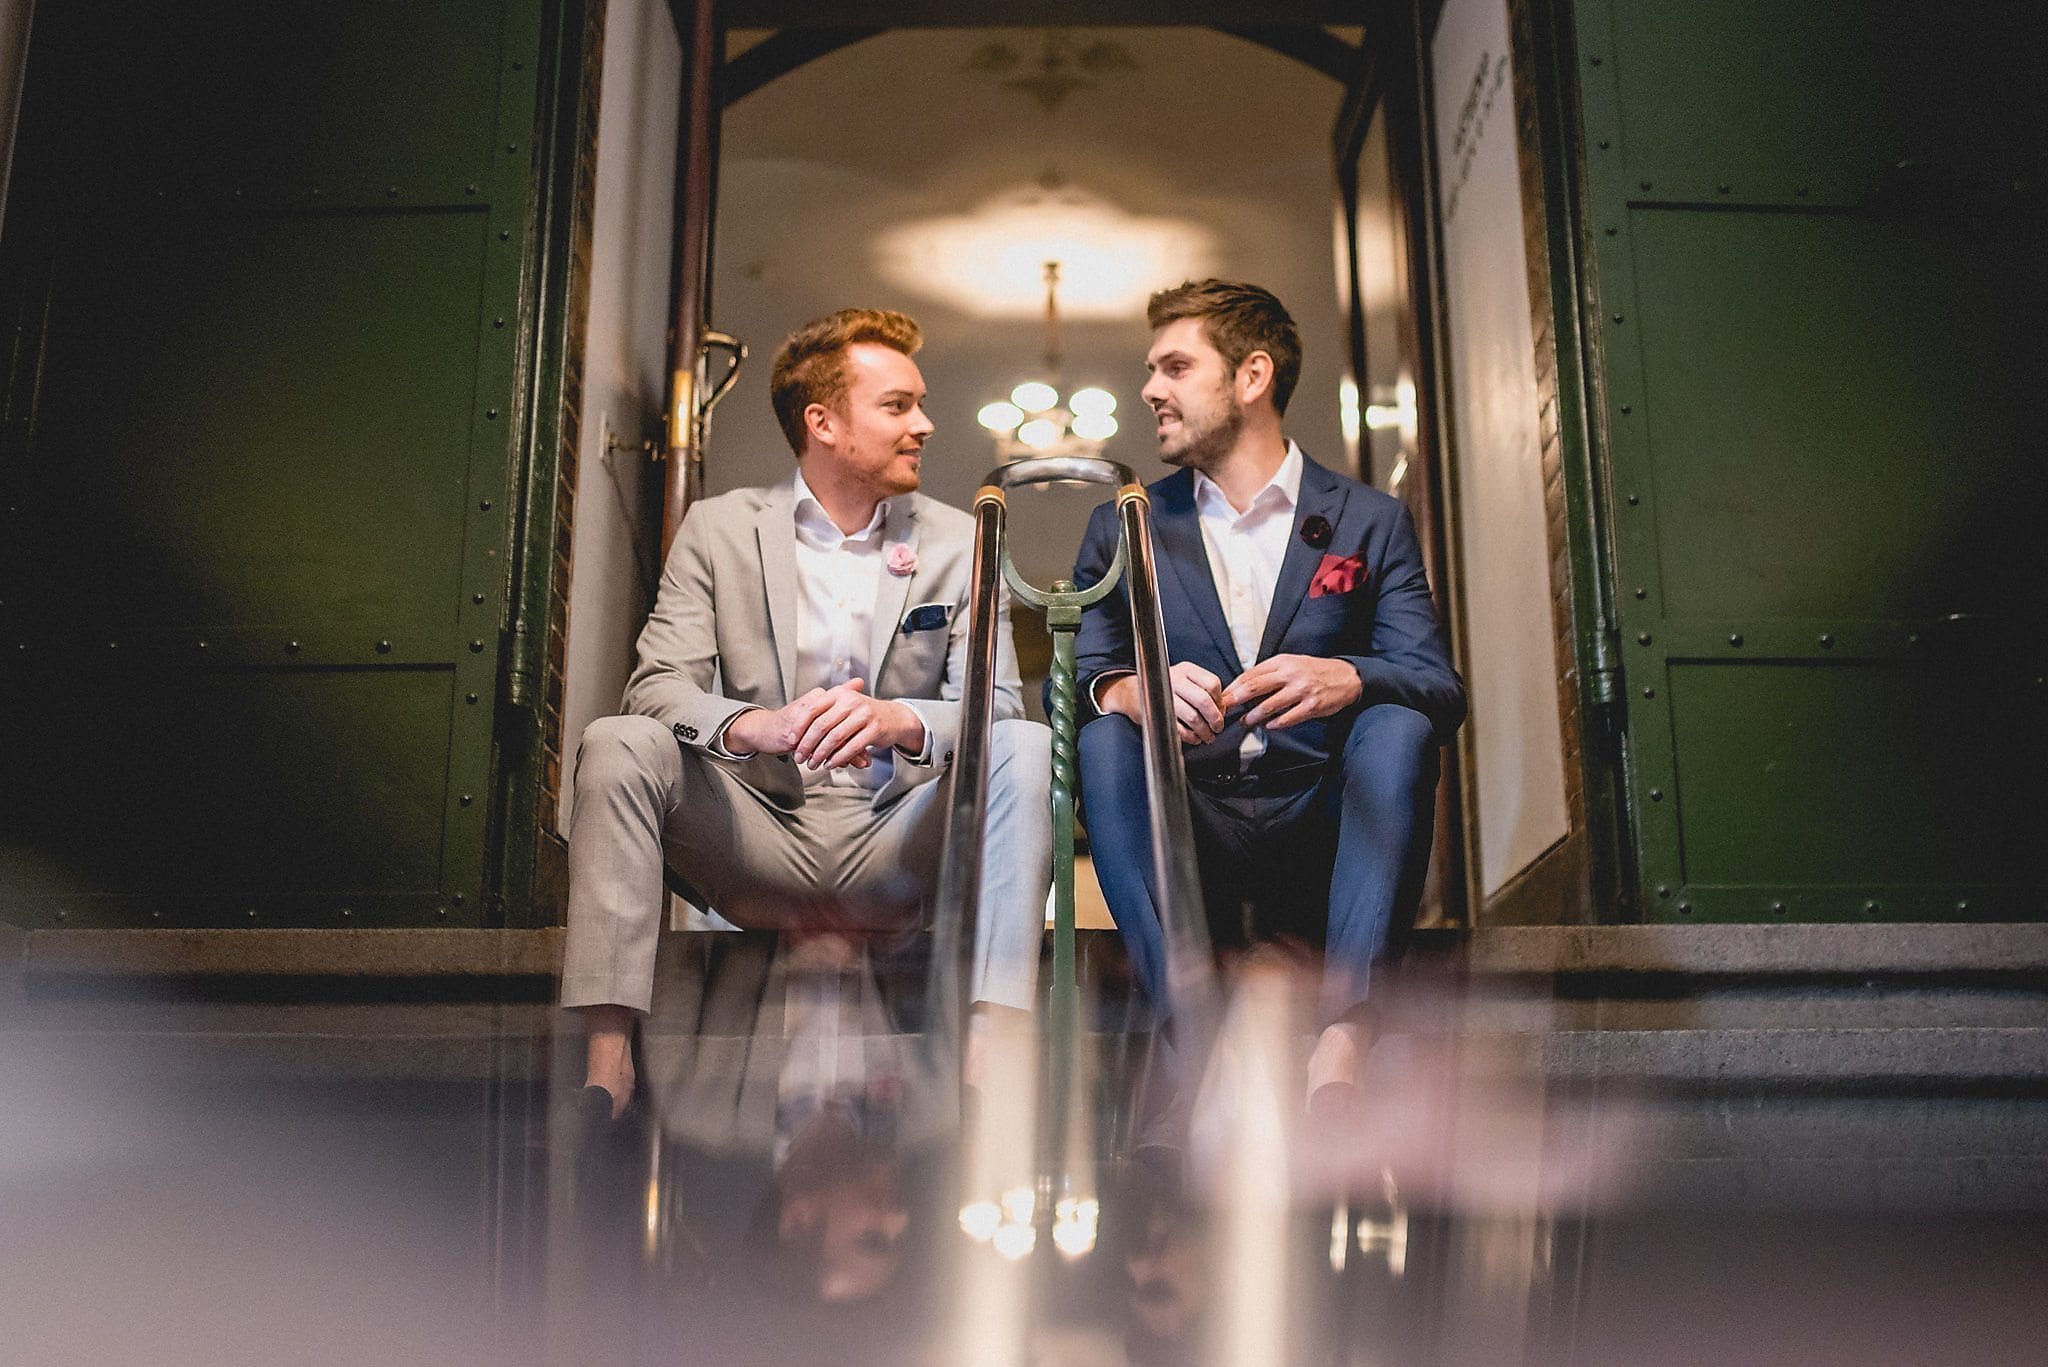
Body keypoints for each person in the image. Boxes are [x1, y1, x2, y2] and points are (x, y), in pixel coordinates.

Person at [561, 307, 1051, 1119]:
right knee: (618, 741)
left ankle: (990, 1053)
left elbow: (997, 710)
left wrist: (900, 718)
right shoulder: (719, 528)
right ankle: (607, 1067)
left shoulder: (962, 541)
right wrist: (757, 725)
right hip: (760, 836)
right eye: (898, 405)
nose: (924, 424)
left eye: (919, 404)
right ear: (821, 422)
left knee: (1027, 746)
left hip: (899, 837)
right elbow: (652, 691)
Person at [1072, 280, 1464, 1113]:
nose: (1150, 389)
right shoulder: (1125, 525)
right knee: (1104, 735)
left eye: (1175, 366)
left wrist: (1350, 676)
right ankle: (1190, 1024)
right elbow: (1072, 676)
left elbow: (1437, 682)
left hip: (1322, 833)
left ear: (1252, 376)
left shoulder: (1369, 520)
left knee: (1397, 723)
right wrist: (1131, 691)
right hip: (1195, 831)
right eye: (1152, 369)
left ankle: (1345, 1038)